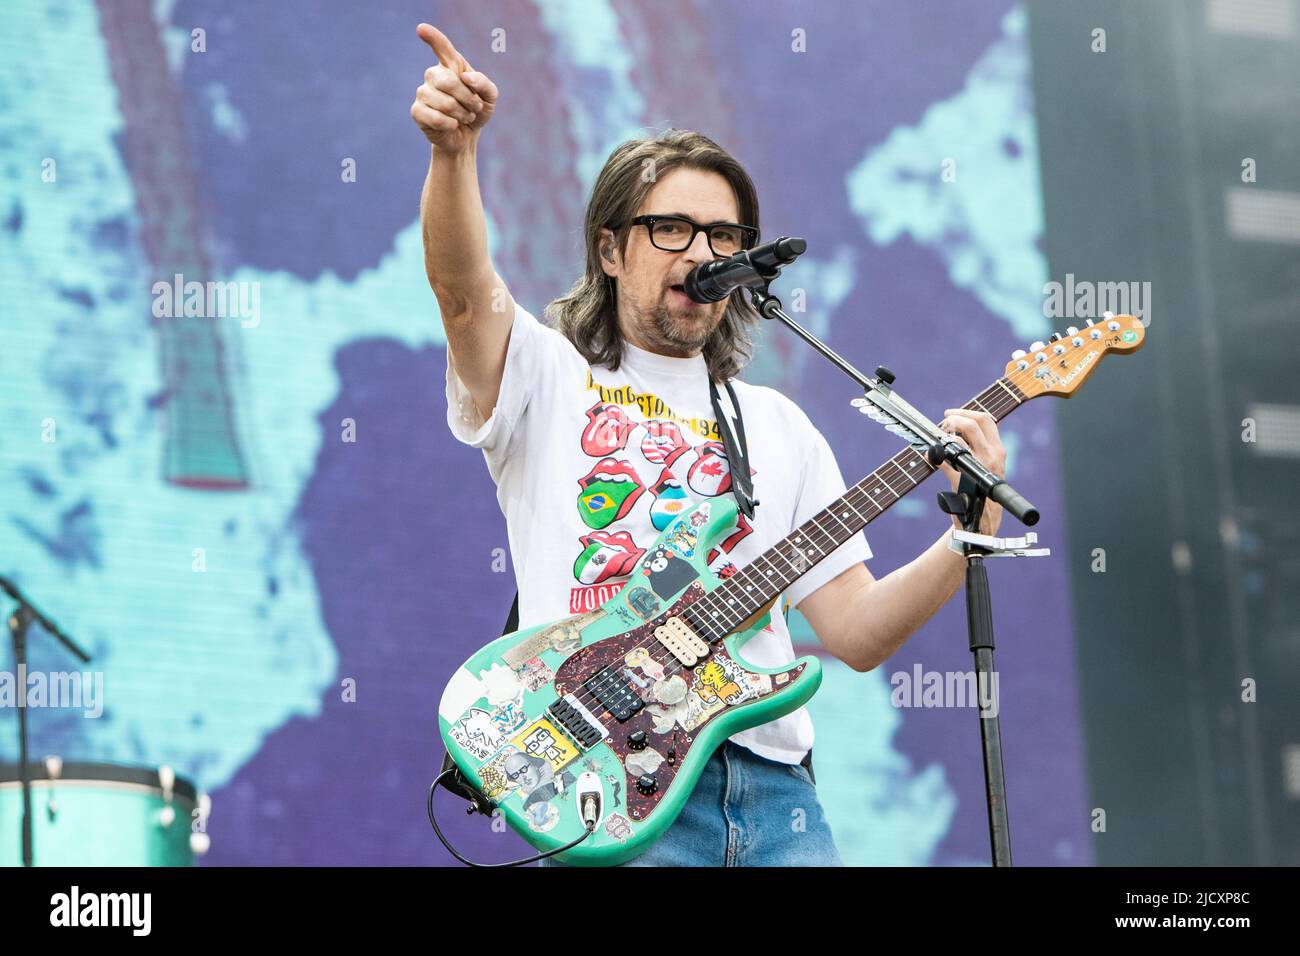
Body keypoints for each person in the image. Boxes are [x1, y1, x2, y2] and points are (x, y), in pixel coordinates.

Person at [413, 23, 1007, 867]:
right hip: (612, 785)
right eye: (672, 229)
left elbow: (858, 634)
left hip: (775, 798)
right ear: (612, 249)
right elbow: (463, 293)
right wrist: (454, 155)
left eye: (724, 237)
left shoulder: (779, 427)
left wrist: (964, 540)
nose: (701, 252)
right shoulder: (546, 377)